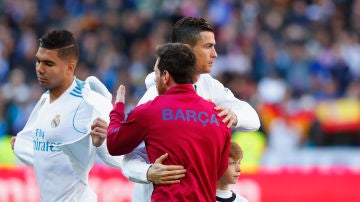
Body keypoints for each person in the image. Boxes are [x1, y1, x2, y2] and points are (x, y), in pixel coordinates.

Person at [91, 16, 261, 201]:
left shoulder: (210, 86)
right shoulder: (153, 100)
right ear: (185, 50)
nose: (215, 54)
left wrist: (234, 116)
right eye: (208, 46)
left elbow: (253, 119)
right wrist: (148, 172)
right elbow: (128, 157)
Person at [10, 29, 122, 202]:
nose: (39, 69)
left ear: (70, 67)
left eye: (48, 63)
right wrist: (20, 146)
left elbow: (118, 155)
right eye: (38, 61)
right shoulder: (45, 99)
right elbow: (44, 152)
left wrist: (103, 143)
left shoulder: (88, 102)